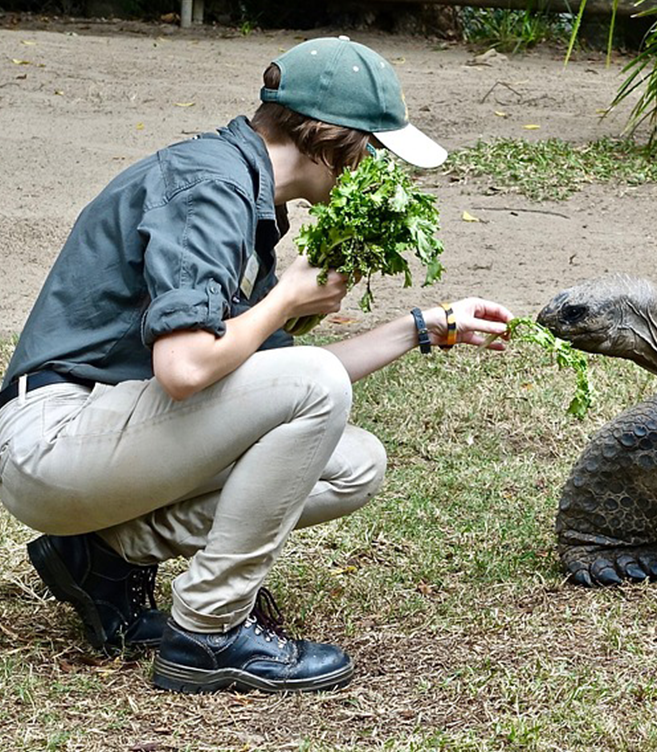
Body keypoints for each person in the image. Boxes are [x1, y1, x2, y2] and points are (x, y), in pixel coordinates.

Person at [0, 36, 513, 694]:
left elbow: (271, 385)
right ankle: (209, 634)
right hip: (51, 441)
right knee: (316, 386)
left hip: (100, 441)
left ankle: (103, 554)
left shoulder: (248, 198)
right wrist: (288, 300)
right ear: (338, 140)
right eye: (376, 152)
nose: (377, 172)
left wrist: (426, 326)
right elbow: (186, 369)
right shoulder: (209, 186)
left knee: (352, 463)